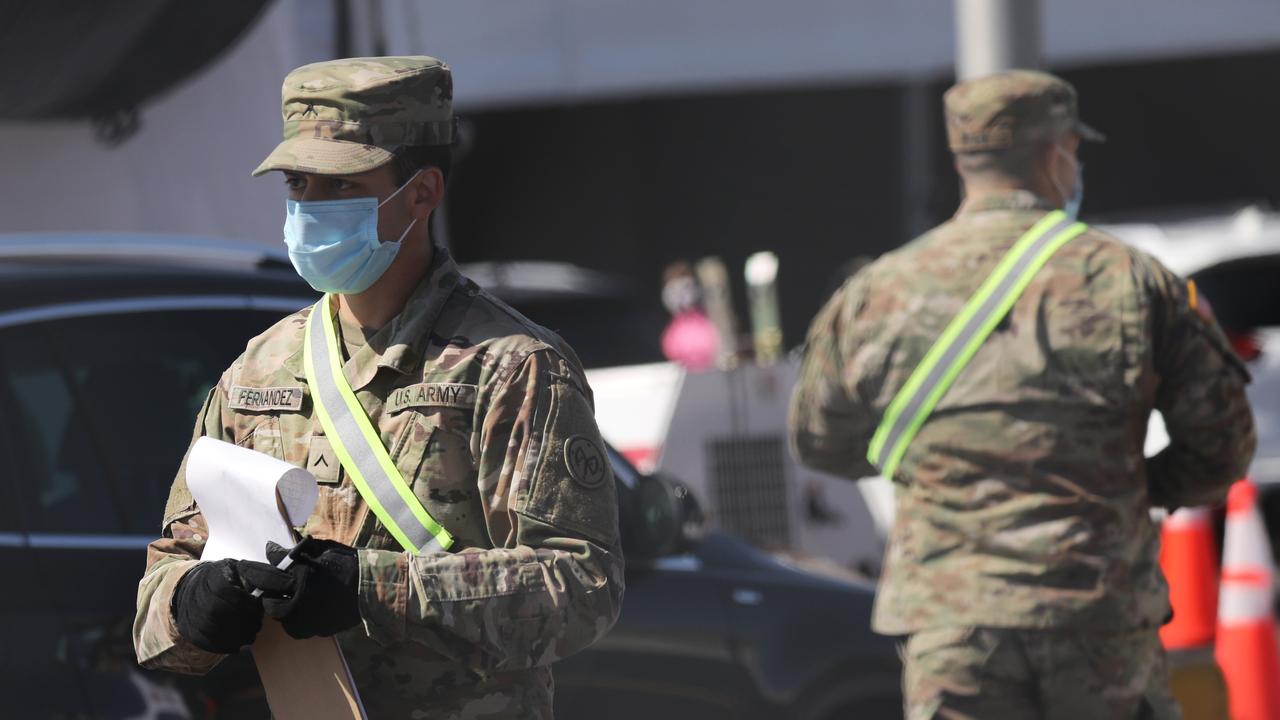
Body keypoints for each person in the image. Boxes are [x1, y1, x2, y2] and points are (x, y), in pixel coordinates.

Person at [133, 56, 624, 719]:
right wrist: (192, 605)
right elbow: (168, 578)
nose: (307, 208)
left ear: (421, 193)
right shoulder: (258, 369)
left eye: (337, 187)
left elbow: (581, 587)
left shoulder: (511, 367)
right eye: (298, 183)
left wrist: (369, 589)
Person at [788, 70, 1255, 719]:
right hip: (1096, 608)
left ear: (962, 158)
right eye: (1074, 150)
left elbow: (819, 440)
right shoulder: (1131, 280)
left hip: (952, 620)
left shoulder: (876, 292)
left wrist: (942, 471)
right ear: (1054, 152)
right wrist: (1134, 487)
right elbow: (1223, 444)